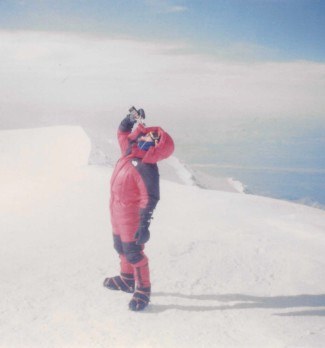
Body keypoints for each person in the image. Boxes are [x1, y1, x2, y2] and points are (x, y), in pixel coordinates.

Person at [103, 106, 175, 311]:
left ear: (156, 146)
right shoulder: (129, 151)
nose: (146, 137)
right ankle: (126, 280)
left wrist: (144, 225)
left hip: (132, 215)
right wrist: (130, 118)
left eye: (153, 138)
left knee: (134, 252)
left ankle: (143, 290)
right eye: (148, 133)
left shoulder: (146, 167)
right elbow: (122, 133)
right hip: (116, 209)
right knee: (120, 247)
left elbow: (150, 197)